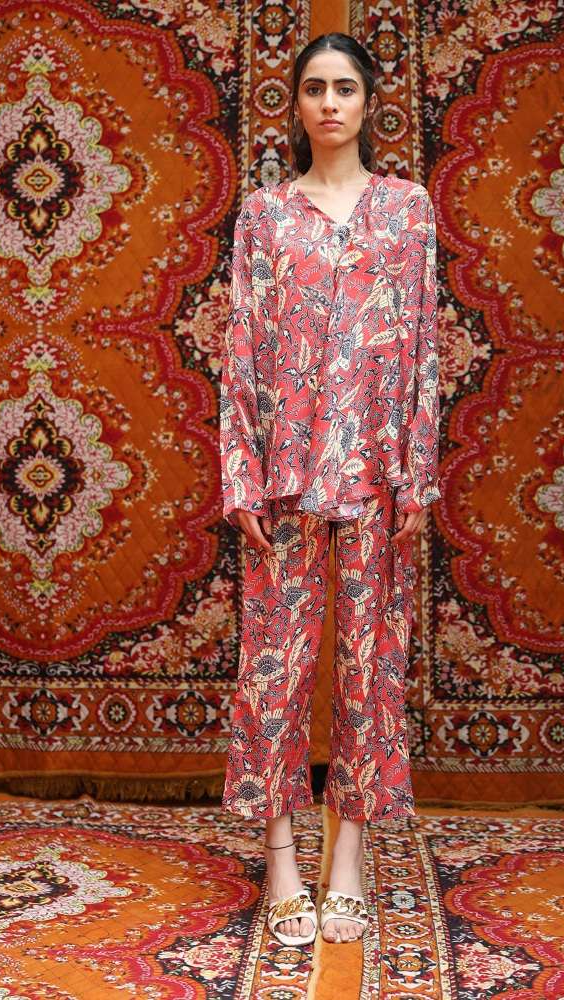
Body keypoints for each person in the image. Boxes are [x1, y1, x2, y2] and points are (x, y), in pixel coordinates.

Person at [219, 31, 441, 947]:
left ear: (369, 101)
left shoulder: (409, 211)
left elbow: (423, 343)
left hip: (376, 475)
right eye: (314, 88)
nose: (330, 103)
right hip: (284, 475)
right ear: (298, 104)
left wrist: (417, 471)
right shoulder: (265, 216)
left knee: (367, 667)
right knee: (274, 667)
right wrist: (241, 473)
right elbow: (240, 345)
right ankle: (281, 861)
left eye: (345, 87)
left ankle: (346, 856)